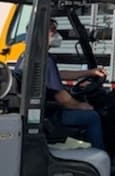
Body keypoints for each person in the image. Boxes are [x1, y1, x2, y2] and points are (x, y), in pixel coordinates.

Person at [17, 19, 108, 150]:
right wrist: (81, 105)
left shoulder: (27, 56)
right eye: (52, 31)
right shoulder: (45, 60)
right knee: (93, 117)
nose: (56, 34)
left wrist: (90, 72)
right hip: (50, 116)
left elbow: (58, 74)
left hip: (41, 113)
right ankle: (101, 156)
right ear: (40, 34)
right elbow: (63, 98)